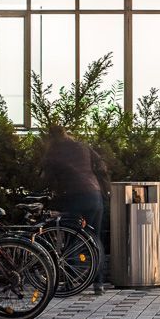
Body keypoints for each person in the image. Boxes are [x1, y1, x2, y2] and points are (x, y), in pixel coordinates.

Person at [41, 124, 110, 294]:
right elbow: (101, 165)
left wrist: (41, 193)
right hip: (94, 195)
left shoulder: (54, 151)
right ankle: (98, 283)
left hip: (73, 196)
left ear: (51, 137)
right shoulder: (82, 146)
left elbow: (46, 178)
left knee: (72, 238)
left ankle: (70, 282)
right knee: (95, 238)